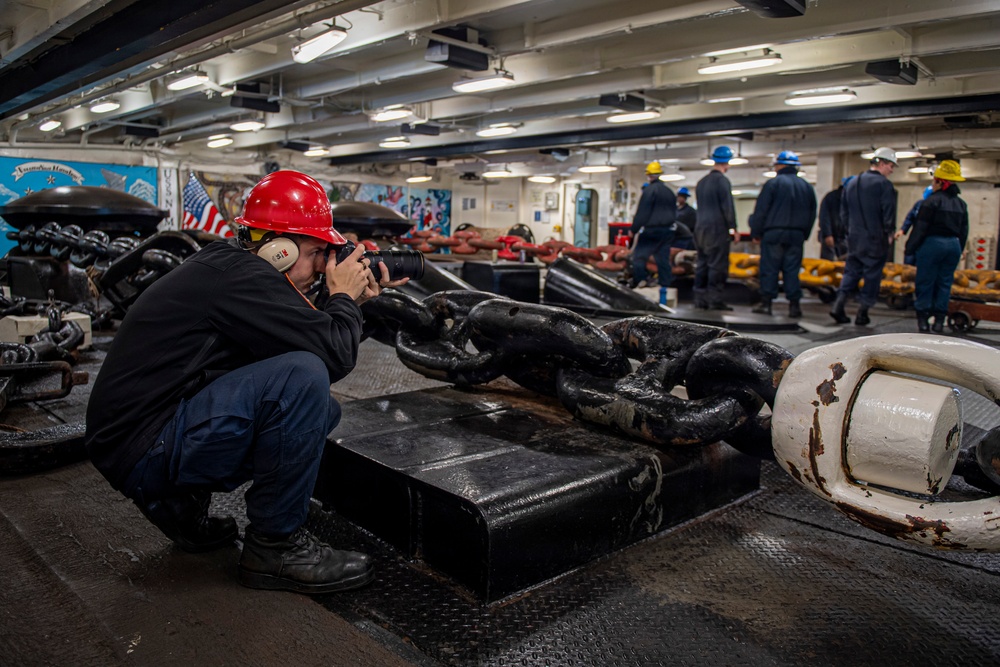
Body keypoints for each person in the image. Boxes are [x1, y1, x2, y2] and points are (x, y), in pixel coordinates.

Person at [84, 170, 408, 595]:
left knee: (319, 405)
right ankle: (274, 548)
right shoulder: (241, 277)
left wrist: (350, 301)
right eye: (316, 253)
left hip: (132, 443)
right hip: (144, 448)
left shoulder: (231, 269)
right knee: (303, 378)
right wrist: (343, 297)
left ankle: (177, 505)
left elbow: (309, 336)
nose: (320, 267)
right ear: (279, 249)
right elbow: (331, 357)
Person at [829, 146, 898, 326]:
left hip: (854, 238)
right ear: (882, 163)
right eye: (891, 166)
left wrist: (850, 232)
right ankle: (863, 313)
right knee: (872, 275)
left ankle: (838, 305)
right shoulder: (884, 185)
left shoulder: (852, 183)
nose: (892, 170)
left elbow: (843, 213)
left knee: (851, 272)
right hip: (876, 239)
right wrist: (889, 233)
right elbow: (888, 212)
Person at [749, 151, 818, 317]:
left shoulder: (773, 184)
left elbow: (761, 210)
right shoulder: (807, 187)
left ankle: (766, 303)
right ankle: (794, 306)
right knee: (792, 270)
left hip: (774, 232)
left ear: (779, 165)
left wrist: (756, 232)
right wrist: (804, 234)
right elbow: (812, 213)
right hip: (797, 234)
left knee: (770, 268)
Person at [904, 161, 968, 333]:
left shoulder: (931, 201)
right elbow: (964, 231)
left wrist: (910, 248)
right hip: (953, 245)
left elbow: (920, 228)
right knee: (945, 283)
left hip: (932, 244)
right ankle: (939, 321)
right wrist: (959, 249)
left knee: (925, 281)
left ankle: (923, 321)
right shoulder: (961, 204)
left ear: (940, 182)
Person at [693, 146, 738, 310]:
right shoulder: (722, 181)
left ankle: (699, 299)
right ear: (727, 163)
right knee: (717, 265)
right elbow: (728, 207)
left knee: (702, 264)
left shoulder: (701, 182)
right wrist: (733, 228)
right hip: (717, 230)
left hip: (700, 230)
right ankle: (715, 300)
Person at [629, 161, 677, 293]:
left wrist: (633, 230)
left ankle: (641, 281)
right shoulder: (669, 192)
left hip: (651, 230)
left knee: (639, 257)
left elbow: (643, 212)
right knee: (663, 259)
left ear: (649, 175)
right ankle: (665, 286)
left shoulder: (649, 190)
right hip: (667, 231)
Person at [895, 185, 933, 265]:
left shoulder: (936, 206)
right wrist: (903, 230)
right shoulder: (919, 204)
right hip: (915, 236)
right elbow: (910, 217)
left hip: (929, 239)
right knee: (909, 258)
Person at [818, 177, 851, 260]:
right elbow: (824, 217)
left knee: (844, 262)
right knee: (827, 262)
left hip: (844, 237)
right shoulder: (831, 197)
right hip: (830, 235)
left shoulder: (852, 199)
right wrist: (827, 234)